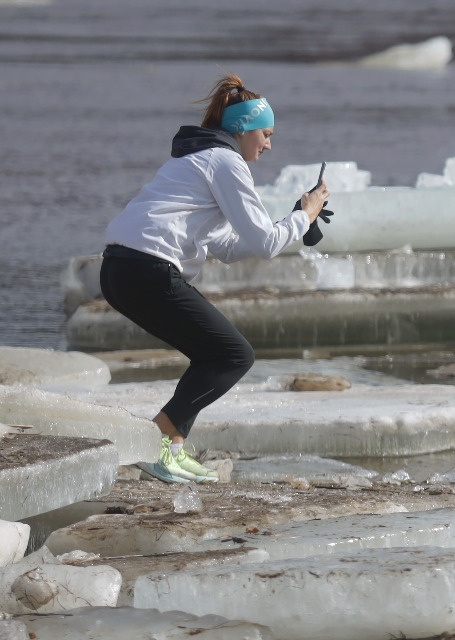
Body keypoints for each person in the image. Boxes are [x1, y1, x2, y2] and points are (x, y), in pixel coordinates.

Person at [99, 73, 331, 483]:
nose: (269, 145)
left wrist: (293, 221)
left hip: (121, 270)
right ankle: (153, 443)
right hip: (146, 269)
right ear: (242, 129)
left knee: (214, 355)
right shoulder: (225, 160)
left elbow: (226, 246)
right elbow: (264, 243)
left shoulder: (199, 157)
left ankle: (171, 448)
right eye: (266, 133)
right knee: (233, 355)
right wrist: (305, 215)